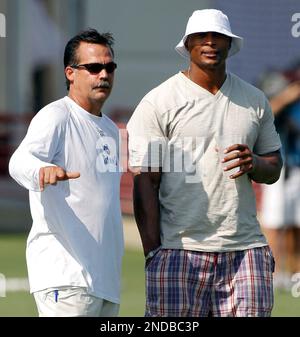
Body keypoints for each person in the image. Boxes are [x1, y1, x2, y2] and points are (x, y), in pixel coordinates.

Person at [127, 9, 282, 317]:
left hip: (245, 249)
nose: (210, 43)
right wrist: (153, 253)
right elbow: (146, 180)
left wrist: (254, 163)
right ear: (188, 45)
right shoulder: (159, 102)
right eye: (201, 37)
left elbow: (273, 167)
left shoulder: (254, 100)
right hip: (179, 250)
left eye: (218, 37)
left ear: (229, 44)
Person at [9, 29, 124, 317]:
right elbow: (19, 161)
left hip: (104, 283)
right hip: (67, 279)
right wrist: (41, 171)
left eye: (109, 67)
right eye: (94, 67)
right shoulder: (57, 115)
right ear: (70, 73)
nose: (104, 74)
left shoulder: (110, 128)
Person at [259, 66, 300, 289]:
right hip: (279, 166)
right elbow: (267, 113)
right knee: (274, 223)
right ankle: (273, 274)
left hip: (297, 166)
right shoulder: (279, 91)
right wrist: (288, 95)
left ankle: (295, 274)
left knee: (296, 224)